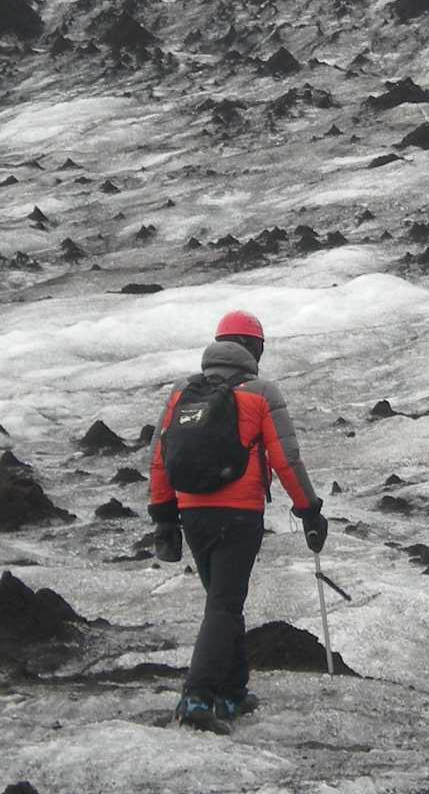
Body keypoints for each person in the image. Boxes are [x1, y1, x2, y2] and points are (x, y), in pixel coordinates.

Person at [148, 310, 324, 734]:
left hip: (192, 513)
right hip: (239, 514)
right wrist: (309, 510)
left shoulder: (181, 391)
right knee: (225, 604)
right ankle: (198, 697)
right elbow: (286, 458)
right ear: (256, 349)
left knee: (222, 601)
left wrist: (164, 518)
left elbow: (159, 456)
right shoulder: (261, 392)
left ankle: (233, 691)